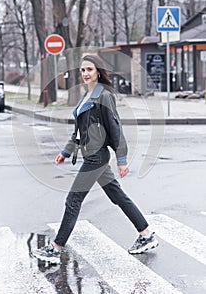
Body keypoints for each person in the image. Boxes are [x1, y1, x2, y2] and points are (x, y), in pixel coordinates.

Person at [32, 54, 158, 264]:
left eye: (89, 69)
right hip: (91, 155)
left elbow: (115, 127)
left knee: (73, 201)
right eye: (82, 70)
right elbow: (80, 132)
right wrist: (66, 151)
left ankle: (56, 248)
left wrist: (122, 158)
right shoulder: (86, 95)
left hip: (97, 157)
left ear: (98, 71)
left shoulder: (104, 95)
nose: (85, 74)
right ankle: (146, 234)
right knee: (118, 196)